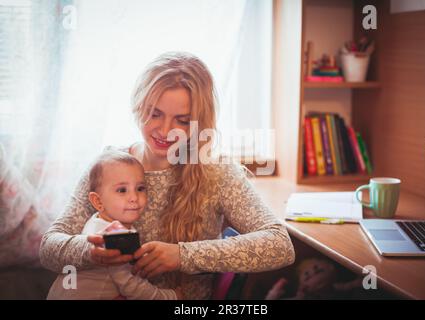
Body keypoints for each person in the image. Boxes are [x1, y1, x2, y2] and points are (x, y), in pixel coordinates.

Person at [40, 51, 295, 299]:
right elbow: (49, 248)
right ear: (139, 106)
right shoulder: (110, 166)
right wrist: (91, 251)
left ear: (198, 122)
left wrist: (182, 255)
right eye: (155, 114)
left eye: (182, 120)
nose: (165, 131)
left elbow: (280, 245)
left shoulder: (215, 172)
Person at [46, 151, 181, 299]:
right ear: (98, 201)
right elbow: (132, 287)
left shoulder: (96, 221)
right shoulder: (115, 235)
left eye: (140, 188)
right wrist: (171, 297)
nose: (134, 198)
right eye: (122, 190)